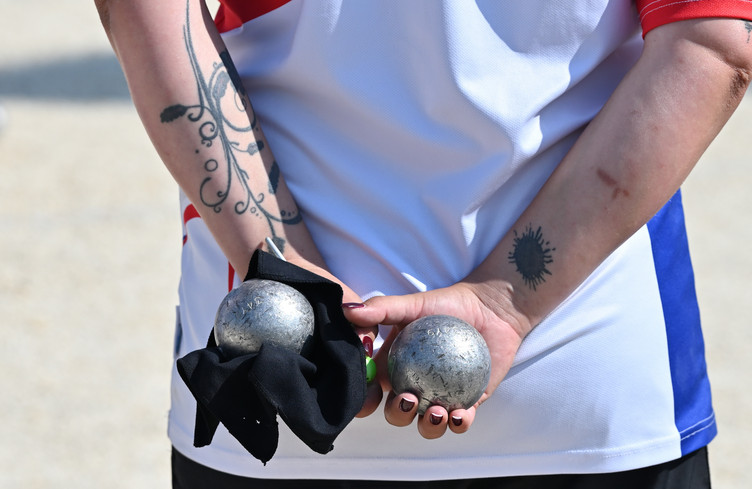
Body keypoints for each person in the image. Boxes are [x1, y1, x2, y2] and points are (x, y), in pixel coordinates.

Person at [95, 0, 752, 487]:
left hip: (286, 368)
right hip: (589, 384)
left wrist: (287, 270)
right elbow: (714, 41)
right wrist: (506, 302)